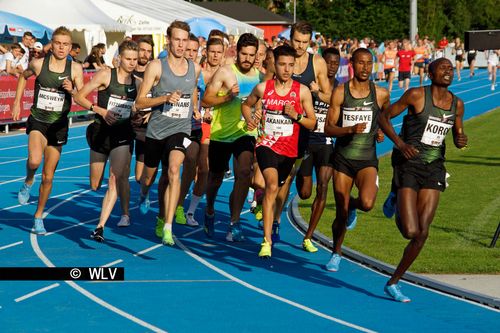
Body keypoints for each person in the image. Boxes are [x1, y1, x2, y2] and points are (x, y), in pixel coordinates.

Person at [378, 58, 467, 302]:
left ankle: (394, 282)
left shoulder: (457, 104)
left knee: (422, 233)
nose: (448, 71)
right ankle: (396, 195)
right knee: (409, 230)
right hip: (409, 164)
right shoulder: (416, 95)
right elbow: (383, 118)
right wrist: (400, 144)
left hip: (434, 167)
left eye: (450, 68)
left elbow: (459, 133)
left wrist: (461, 139)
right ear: (430, 73)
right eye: (443, 68)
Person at [242, 45, 316, 257]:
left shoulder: (301, 92)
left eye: (290, 65)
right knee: (272, 186)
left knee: (276, 187)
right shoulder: (263, 88)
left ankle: (264, 205)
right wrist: (250, 119)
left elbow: (312, 123)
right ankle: (266, 241)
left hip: (289, 151)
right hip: (266, 144)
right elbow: (246, 105)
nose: (286, 69)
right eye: (282, 64)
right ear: (275, 64)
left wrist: (297, 116)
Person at [11, 26, 84, 234]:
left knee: (49, 177)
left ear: (70, 47)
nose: (61, 48)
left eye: (65, 44)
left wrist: (73, 90)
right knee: (34, 161)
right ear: (52, 45)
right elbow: (23, 77)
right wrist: (17, 102)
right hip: (38, 120)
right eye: (58, 43)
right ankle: (27, 181)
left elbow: (80, 96)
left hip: (59, 124)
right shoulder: (38, 64)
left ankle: (38, 216)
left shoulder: (75, 69)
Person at [134, 21, 201, 246]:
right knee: (150, 178)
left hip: (181, 129)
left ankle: (168, 225)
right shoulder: (156, 66)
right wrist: (163, 98)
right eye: (177, 40)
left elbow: (192, 93)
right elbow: (139, 102)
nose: (181, 45)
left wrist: (198, 109)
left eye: (185, 40)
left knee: (173, 170)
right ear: (169, 40)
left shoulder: (195, 68)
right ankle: (144, 195)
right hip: (156, 130)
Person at [324, 48, 390, 272]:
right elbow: (328, 128)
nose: (365, 68)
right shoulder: (341, 93)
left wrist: (380, 130)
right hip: (343, 158)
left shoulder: (380, 94)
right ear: (352, 64)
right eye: (360, 63)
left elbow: (386, 118)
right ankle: (336, 252)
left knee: (367, 204)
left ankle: (354, 205)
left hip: (366, 159)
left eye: (369, 63)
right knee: (340, 213)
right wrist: (349, 129)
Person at [264, 21, 331, 237]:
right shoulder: (280, 58)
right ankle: (264, 202)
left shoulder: (317, 63)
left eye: (304, 42)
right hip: (274, 125)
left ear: (310, 41)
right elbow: (265, 87)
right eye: (297, 41)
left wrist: (317, 92)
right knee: (263, 175)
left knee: (291, 177)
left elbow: (329, 97)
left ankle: (275, 219)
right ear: (289, 38)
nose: (300, 46)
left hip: (301, 127)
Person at [74, 40, 139, 240]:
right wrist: (100, 110)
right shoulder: (105, 75)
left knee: (115, 177)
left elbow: (139, 108)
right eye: (128, 59)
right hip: (101, 131)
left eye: (135, 60)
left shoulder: (137, 83)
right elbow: (79, 97)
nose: (132, 63)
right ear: (119, 58)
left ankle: (100, 226)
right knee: (95, 184)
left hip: (123, 134)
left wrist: (139, 116)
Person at [201, 33, 261, 241]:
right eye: (244, 54)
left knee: (244, 172)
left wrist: (258, 114)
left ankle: (234, 223)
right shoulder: (225, 72)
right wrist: (227, 97)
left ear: (256, 55)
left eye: (251, 55)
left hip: (245, 133)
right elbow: (205, 101)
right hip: (221, 133)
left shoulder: (259, 77)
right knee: (215, 178)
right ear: (237, 53)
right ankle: (209, 209)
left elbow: (260, 103)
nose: (247, 58)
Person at [177, 38, 224, 227]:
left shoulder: (227, 73)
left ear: (223, 53)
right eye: (212, 51)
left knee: (206, 171)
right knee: (193, 165)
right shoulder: (198, 72)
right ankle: (179, 204)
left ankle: (190, 210)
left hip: (219, 126)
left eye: (219, 52)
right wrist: (202, 110)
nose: (215, 55)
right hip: (197, 124)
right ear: (206, 52)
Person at [297, 47, 340, 252]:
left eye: (335, 63)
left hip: (328, 144)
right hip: (307, 140)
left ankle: (308, 236)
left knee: (323, 187)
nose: (332, 66)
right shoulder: (309, 85)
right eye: (329, 62)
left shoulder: (340, 89)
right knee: (305, 193)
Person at [174, 33, 203, 226]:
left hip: (197, 127)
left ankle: (181, 205)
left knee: (196, 169)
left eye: (195, 50)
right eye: (188, 49)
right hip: (176, 127)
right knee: (181, 164)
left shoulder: (199, 70)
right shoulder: (174, 70)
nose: (191, 53)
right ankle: (172, 204)